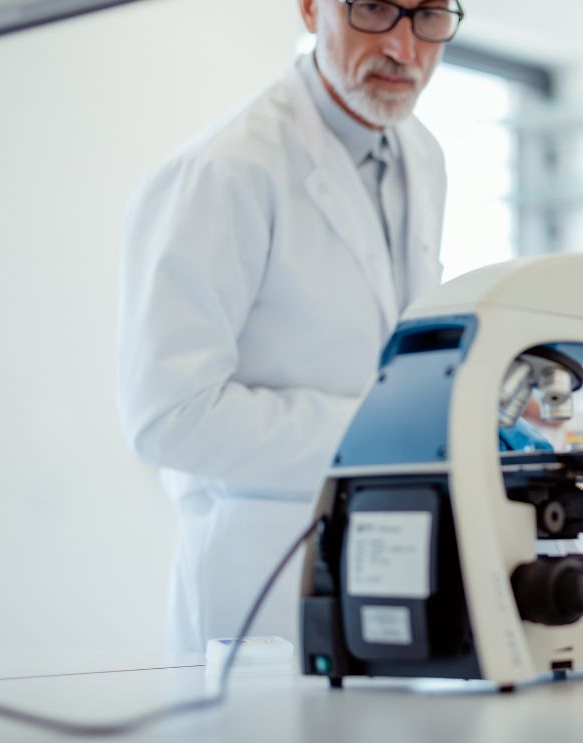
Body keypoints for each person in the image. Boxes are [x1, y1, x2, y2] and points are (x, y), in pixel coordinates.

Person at [116, 0, 464, 654]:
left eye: (429, 15)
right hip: (255, 572)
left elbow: (380, 347)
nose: (403, 46)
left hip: (384, 555)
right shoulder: (222, 169)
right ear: (310, 9)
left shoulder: (423, 154)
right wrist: (382, 429)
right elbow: (166, 416)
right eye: (374, 9)